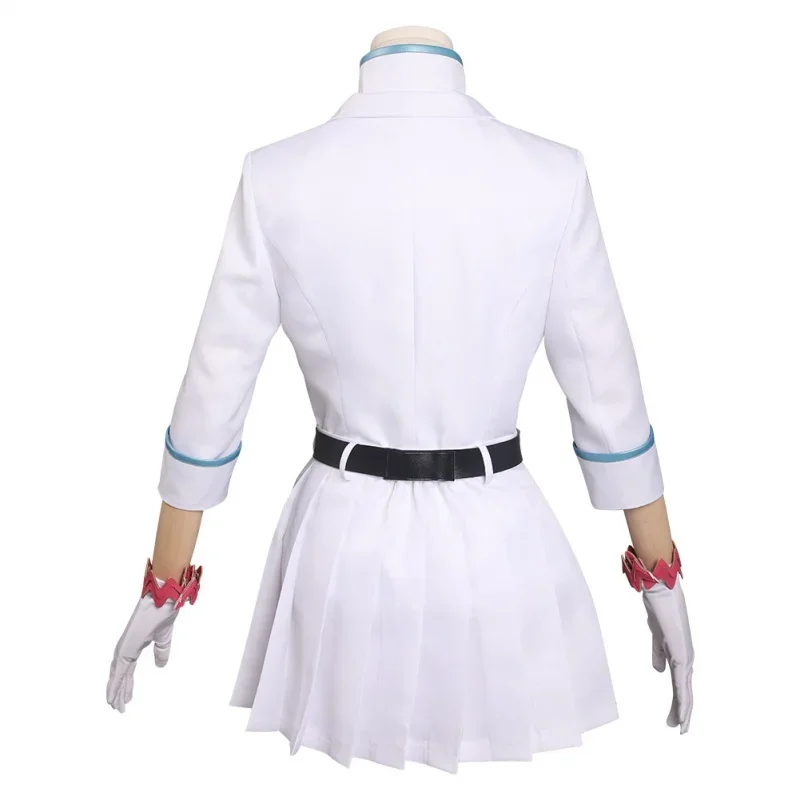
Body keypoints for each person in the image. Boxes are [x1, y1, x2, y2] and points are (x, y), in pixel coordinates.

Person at [108, 30, 694, 773]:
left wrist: (167, 580)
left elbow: (214, 388)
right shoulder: (549, 176)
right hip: (501, 548)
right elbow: (607, 392)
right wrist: (661, 575)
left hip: (339, 550)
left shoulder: (279, 176)